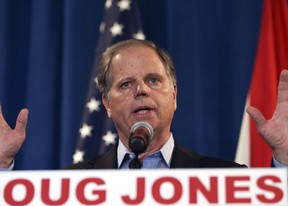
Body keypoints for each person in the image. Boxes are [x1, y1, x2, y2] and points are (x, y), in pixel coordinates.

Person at [0, 39, 288, 169]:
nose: (141, 90)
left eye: (153, 80)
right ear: (107, 104)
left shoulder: (224, 178)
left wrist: (286, 160)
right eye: (126, 83)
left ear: (174, 95)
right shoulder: (73, 185)